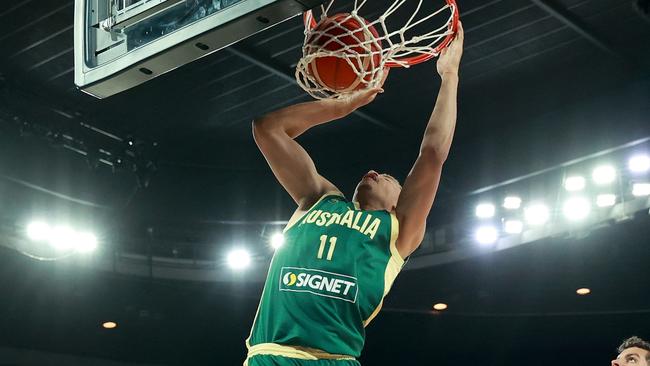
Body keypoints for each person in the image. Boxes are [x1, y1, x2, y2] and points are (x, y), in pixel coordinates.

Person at [243, 21, 465, 366]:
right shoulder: (319, 197)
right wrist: (341, 106)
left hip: (334, 359)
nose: (373, 172)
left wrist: (449, 76)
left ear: (398, 201)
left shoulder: (398, 230)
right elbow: (267, 129)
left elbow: (433, 153)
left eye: (387, 176)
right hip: (270, 355)